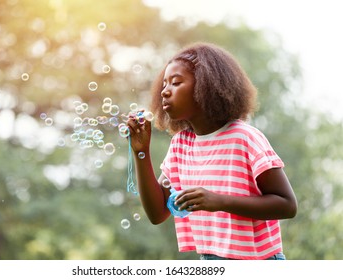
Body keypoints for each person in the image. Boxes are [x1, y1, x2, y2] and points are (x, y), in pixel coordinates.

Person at [127, 42, 297, 260]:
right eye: (164, 85)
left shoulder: (244, 138)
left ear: (206, 86)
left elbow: (287, 205)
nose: (165, 91)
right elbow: (158, 212)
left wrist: (219, 201)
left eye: (176, 82)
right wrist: (141, 152)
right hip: (210, 261)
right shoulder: (181, 144)